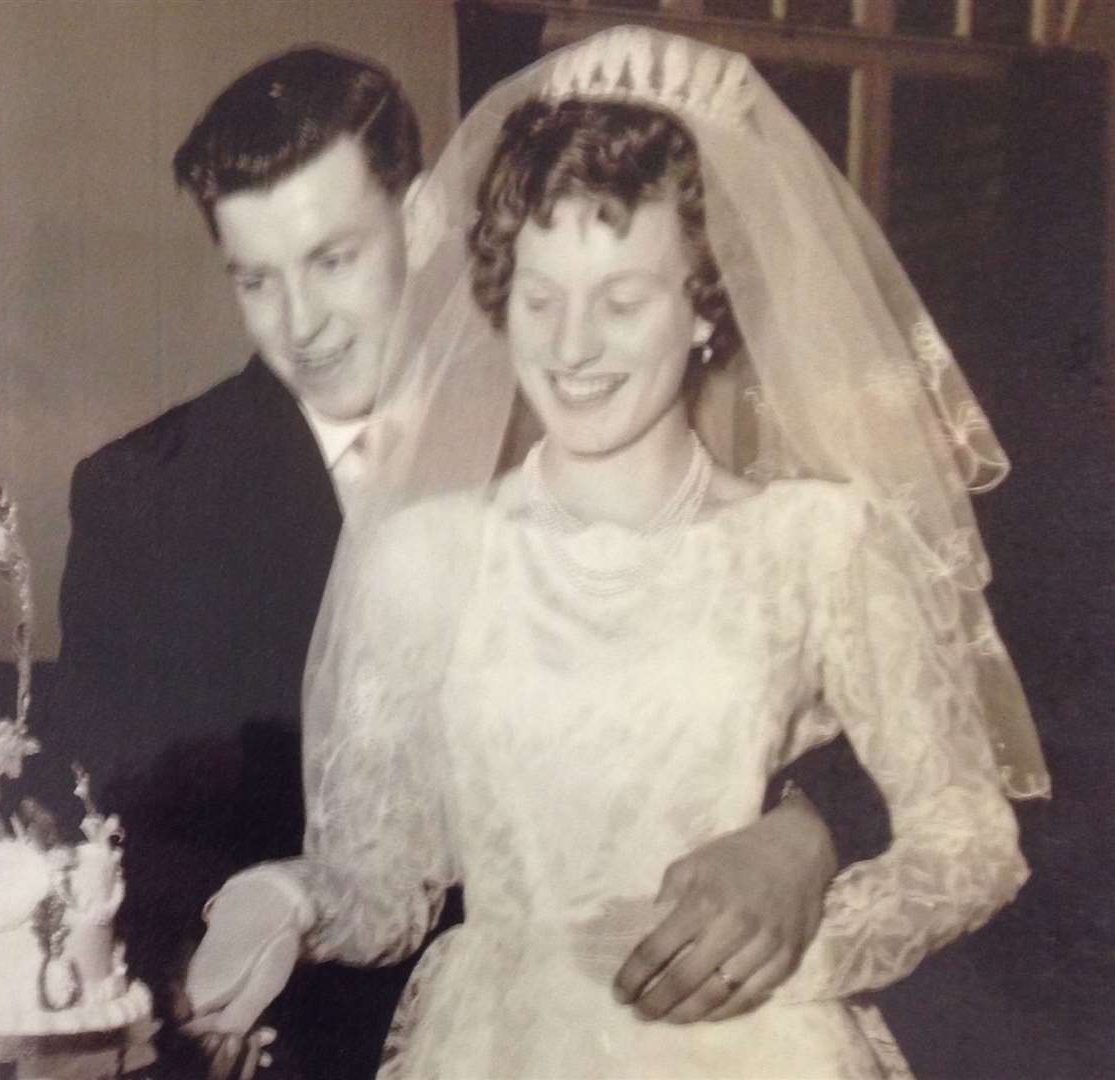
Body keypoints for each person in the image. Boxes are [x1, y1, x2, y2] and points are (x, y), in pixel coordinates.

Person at [179, 26, 1051, 1080]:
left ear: (701, 309)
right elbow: (385, 888)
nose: (572, 346)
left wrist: (793, 951)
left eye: (622, 299)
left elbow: (967, 839)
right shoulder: (424, 557)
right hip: (499, 1048)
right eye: (540, 299)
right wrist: (293, 899)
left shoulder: (819, 543)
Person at [52, 44, 888, 1080]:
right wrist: (205, 973)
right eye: (254, 280)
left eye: (333, 260)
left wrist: (810, 827)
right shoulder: (142, 493)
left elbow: (860, 702)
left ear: (419, 222)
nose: (301, 326)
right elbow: (122, 823)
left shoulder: (589, 401)